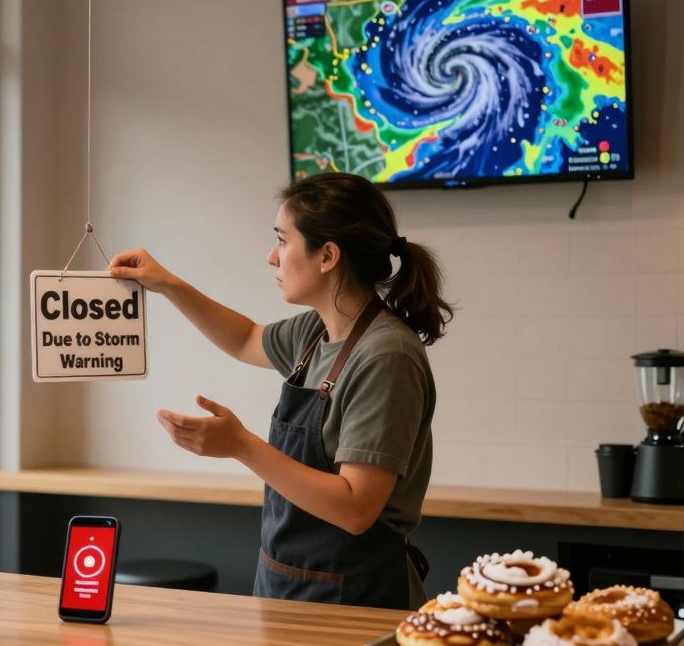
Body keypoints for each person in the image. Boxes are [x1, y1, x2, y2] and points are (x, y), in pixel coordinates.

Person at [108, 173, 452, 610]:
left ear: (327, 255)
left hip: (356, 597)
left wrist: (241, 446)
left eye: (282, 241)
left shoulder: (386, 355)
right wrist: (168, 284)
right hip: (285, 587)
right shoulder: (316, 331)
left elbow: (356, 508)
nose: (272, 257)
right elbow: (245, 338)